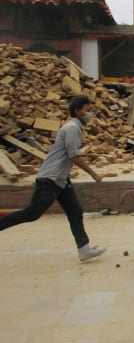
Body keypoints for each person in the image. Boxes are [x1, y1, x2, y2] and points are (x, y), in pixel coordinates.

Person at [0, 95, 106, 262]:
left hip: (61, 180)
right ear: (77, 111)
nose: (89, 114)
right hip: (50, 179)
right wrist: (93, 174)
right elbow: (74, 156)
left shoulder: (75, 128)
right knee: (32, 213)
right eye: (87, 110)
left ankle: (84, 249)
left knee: (75, 211)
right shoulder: (72, 128)